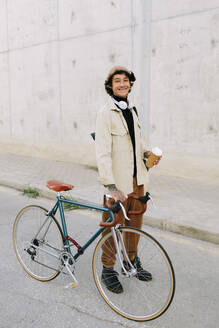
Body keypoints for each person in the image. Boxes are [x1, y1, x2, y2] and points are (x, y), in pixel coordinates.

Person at [95, 66, 161, 293]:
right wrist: (110, 186)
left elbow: (138, 142)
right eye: (117, 81)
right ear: (110, 86)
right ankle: (108, 269)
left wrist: (148, 154)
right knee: (113, 225)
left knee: (134, 224)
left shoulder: (132, 110)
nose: (122, 84)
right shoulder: (105, 113)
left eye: (126, 81)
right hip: (118, 183)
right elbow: (102, 151)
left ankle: (131, 261)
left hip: (138, 179)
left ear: (130, 84)